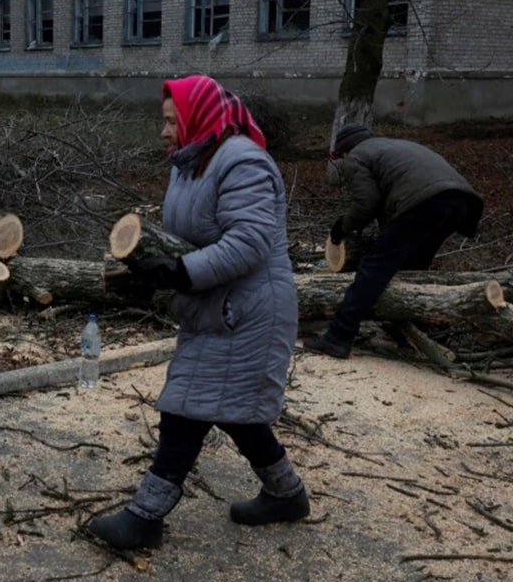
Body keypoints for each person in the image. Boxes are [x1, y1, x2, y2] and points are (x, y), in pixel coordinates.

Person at [88, 75, 309, 550]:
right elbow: (188, 234)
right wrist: (151, 266)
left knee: (186, 406)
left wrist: (179, 272)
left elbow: (248, 243)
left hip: (249, 311)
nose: (164, 131)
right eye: (164, 121)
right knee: (234, 411)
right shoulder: (190, 164)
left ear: (197, 118)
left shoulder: (244, 163)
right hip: (216, 306)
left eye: (172, 121)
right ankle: (286, 493)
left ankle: (145, 516)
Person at [303, 124, 483, 358]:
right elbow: (393, 201)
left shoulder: (356, 157)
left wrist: (342, 227)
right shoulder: (394, 147)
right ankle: (414, 329)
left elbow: (366, 203)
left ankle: (338, 337)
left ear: (345, 151)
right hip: (462, 203)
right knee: (413, 268)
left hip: (425, 202)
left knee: (372, 268)